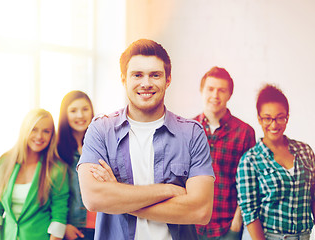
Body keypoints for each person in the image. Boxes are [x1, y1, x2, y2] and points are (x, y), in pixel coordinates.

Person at [77, 38, 215, 240]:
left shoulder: (192, 134)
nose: (146, 83)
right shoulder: (100, 130)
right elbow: (94, 199)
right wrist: (167, 190)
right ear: (124, 79)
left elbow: (200, 211)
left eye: (155, 75)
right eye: (137, 75)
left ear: (168, 80)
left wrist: (118, 196)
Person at [236, 84, 315, 240]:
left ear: (287, 117)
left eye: (280, 117)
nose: (274, 124)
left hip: (304, 236)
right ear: (259, 118)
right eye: (267, 118)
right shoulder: (249, 161)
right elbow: (249, 213)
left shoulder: (305, 151)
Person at [194, 66, 256, 240]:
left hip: (227, 228)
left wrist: (236, 224)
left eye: (222, 90)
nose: (215, 95)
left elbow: (249, 184)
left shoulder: (244, 133)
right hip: (191, 226)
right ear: (201, 91)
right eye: (210, 89)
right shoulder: (188, 129)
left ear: (229, 94)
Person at [0, 109, 69, 240]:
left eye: (46, 131)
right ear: (25, 130)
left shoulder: (57, 169)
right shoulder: (5, 162)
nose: (39, 136)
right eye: (34, 129)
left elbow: (59, 217)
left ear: (52, 135)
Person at [57, 90, 96, 240]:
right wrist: (64, 225)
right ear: (65, 115)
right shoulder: (57, 149)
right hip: (74, 227)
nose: (80, 115)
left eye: (85, 109)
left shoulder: (101, 145)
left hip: (102, 223)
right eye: (73, 110)